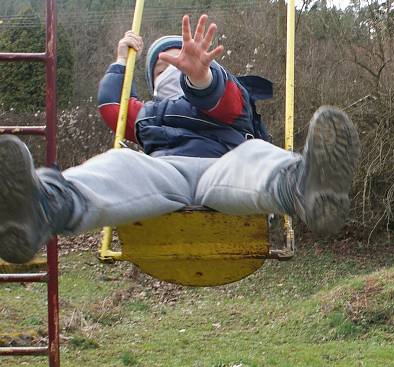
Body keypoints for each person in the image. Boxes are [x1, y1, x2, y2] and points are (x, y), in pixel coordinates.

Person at [0, 14, 360, 265]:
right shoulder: (148, 113)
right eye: (161, 66)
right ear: (152, 82)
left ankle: (307, 186)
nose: (174, 68)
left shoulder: (226, 99)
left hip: (221, 167)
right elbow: (113, 107)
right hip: (163, 174)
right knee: (119, 164)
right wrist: (121, 62)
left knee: (255, 155)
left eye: (184, 62)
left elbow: (223, 97)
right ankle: (43, 206)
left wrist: (202, 79)